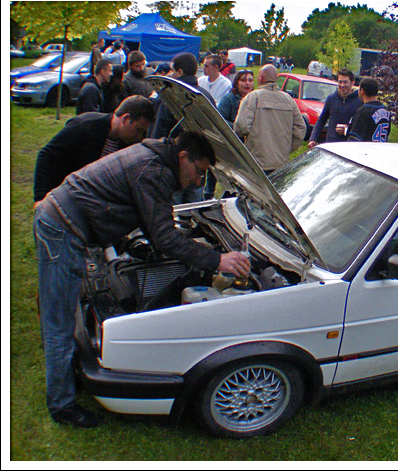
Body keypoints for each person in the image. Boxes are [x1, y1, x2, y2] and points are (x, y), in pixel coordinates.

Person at [33, 131, 251, 428]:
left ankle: (67, 372)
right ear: (183, 157)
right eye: (199, 171)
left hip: (66, 217)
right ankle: (62, 406)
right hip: (62, 226)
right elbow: (163, 237)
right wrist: (217, 259)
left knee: (63, 308)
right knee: (59, 319)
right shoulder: (154, 171)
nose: (200, 181)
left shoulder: (155, 157)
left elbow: (153, 222)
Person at [34, 95, 155, 203]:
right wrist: (40, 198)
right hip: (65, 196)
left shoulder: (126, 144)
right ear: (125, 119)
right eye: (138, 130)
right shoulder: (85, 125)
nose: (139, 137)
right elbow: (47, 155)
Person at [234, 64, 306, 174]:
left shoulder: (253, 97)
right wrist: (288, 149)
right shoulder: (289, 100)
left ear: (261, 77)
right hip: (281, 163)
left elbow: (241, 127)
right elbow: (301, 128)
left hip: (257, 162)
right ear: (276, 79)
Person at [149, 52, 215, 139]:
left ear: (180, 72)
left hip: (173, 149)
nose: (170, 74)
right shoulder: (206, 96)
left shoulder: (169, 96)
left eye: (172, 70)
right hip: (201, 149)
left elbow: (158, 132)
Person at [308, 68, 362, 148]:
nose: (342, 85)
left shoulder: (359, 101)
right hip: (331, 144)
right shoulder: (331, 99)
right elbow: (322, 119)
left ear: (352, 83)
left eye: (345, 82)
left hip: (349, 145)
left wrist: (347, 129)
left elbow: (361, 125)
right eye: (340, 82)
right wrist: (313, 138)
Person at [346, 77, 391, 142]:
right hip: (381, 150)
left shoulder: (363, 111)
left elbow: (354, 139)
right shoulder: (386, 111)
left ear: (362, 91)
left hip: (366, 150)